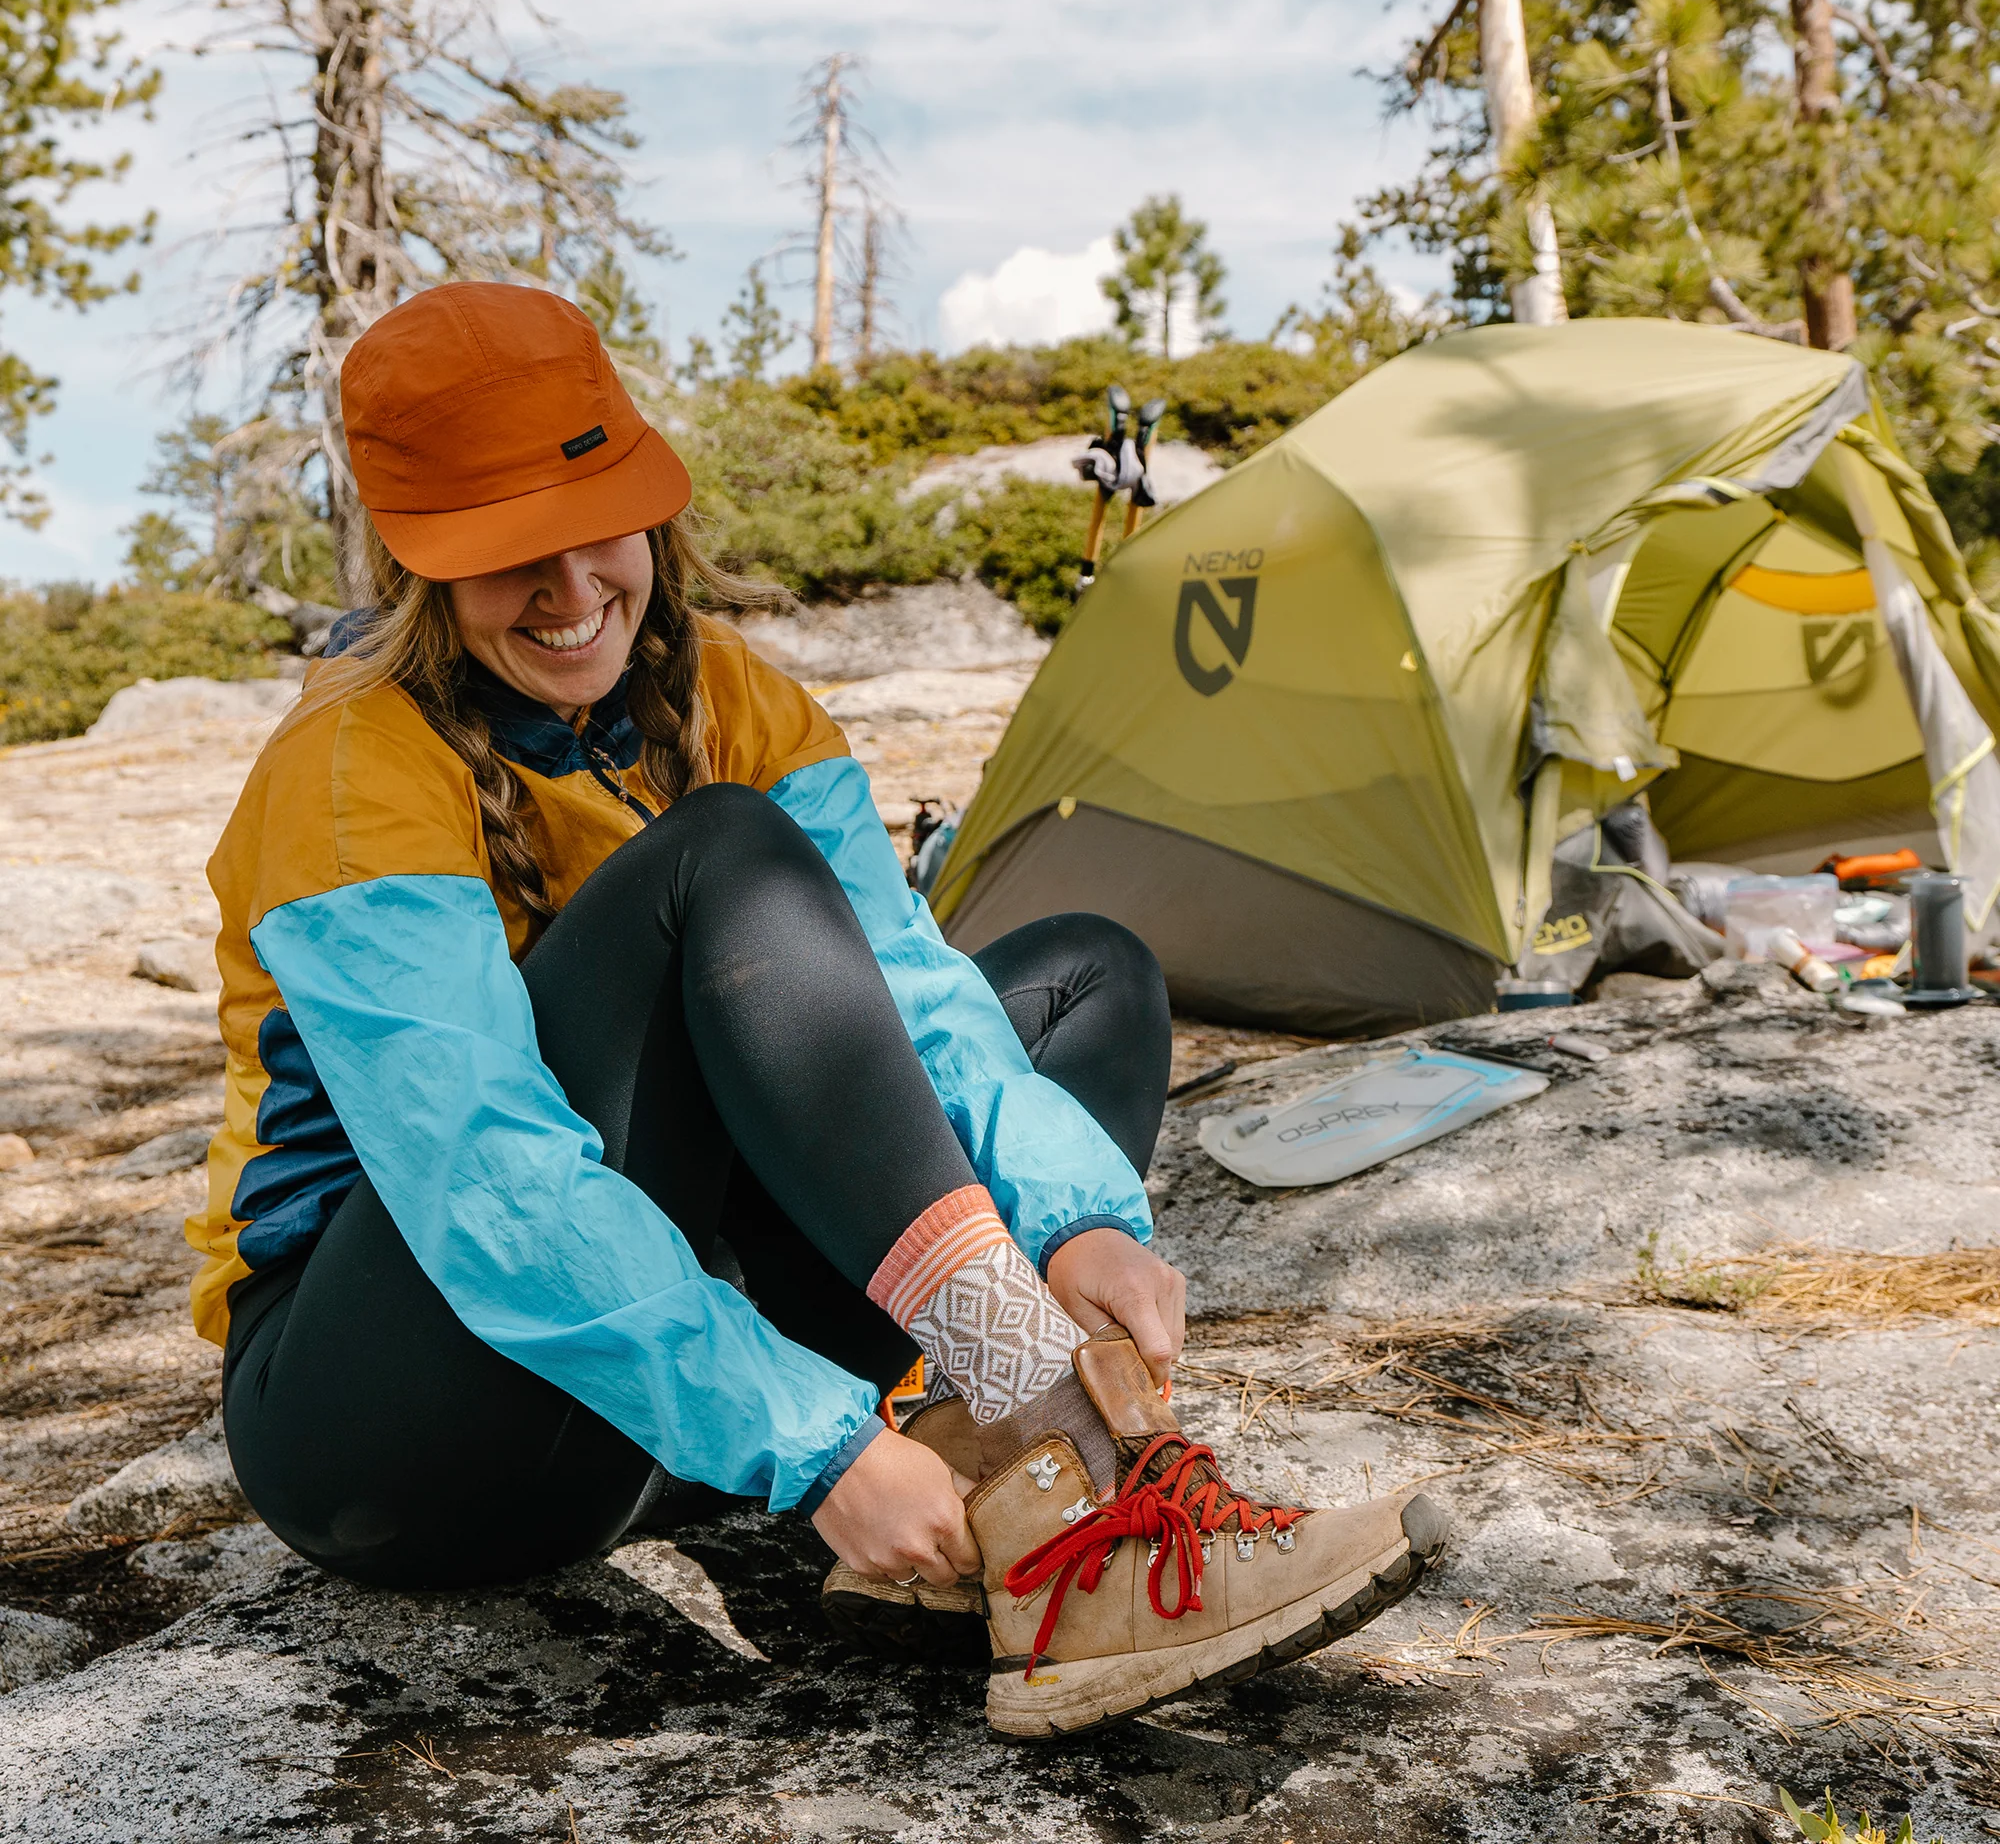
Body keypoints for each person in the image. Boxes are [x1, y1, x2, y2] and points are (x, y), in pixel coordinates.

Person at [187, 281, 1445, 1740]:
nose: (573, 588)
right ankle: (1073, 1463)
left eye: (597, 521)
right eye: (504, 558)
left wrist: (1078, 1223)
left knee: (1088, 978)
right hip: (404, 1436)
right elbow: (491, 1186)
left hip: (659, 1398)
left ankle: (1006, 1470)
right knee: (717, 858)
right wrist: (812, 1437)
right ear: (418, 569)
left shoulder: (735, 695)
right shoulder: (350, 770)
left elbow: (914, 996)